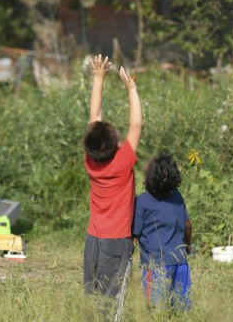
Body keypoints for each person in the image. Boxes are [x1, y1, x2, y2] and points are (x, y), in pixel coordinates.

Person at [82, 54, 142, 309]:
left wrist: (98, 77)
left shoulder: (91, 160)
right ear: (116, 143)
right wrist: (132, 89)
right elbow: (136, 124)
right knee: (110, 300)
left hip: (93, 238)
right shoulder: (123, 162)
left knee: (93, 294)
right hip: (116, 239)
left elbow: (93, 119)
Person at [132, 155, 192, 311]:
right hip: (180, 262)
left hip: (156, 266)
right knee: (181, 309)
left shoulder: (142, 201)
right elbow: (187, 224)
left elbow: (134, 236)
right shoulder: (177, 196)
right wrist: (187, 245)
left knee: (155, 311)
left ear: (148, 178)